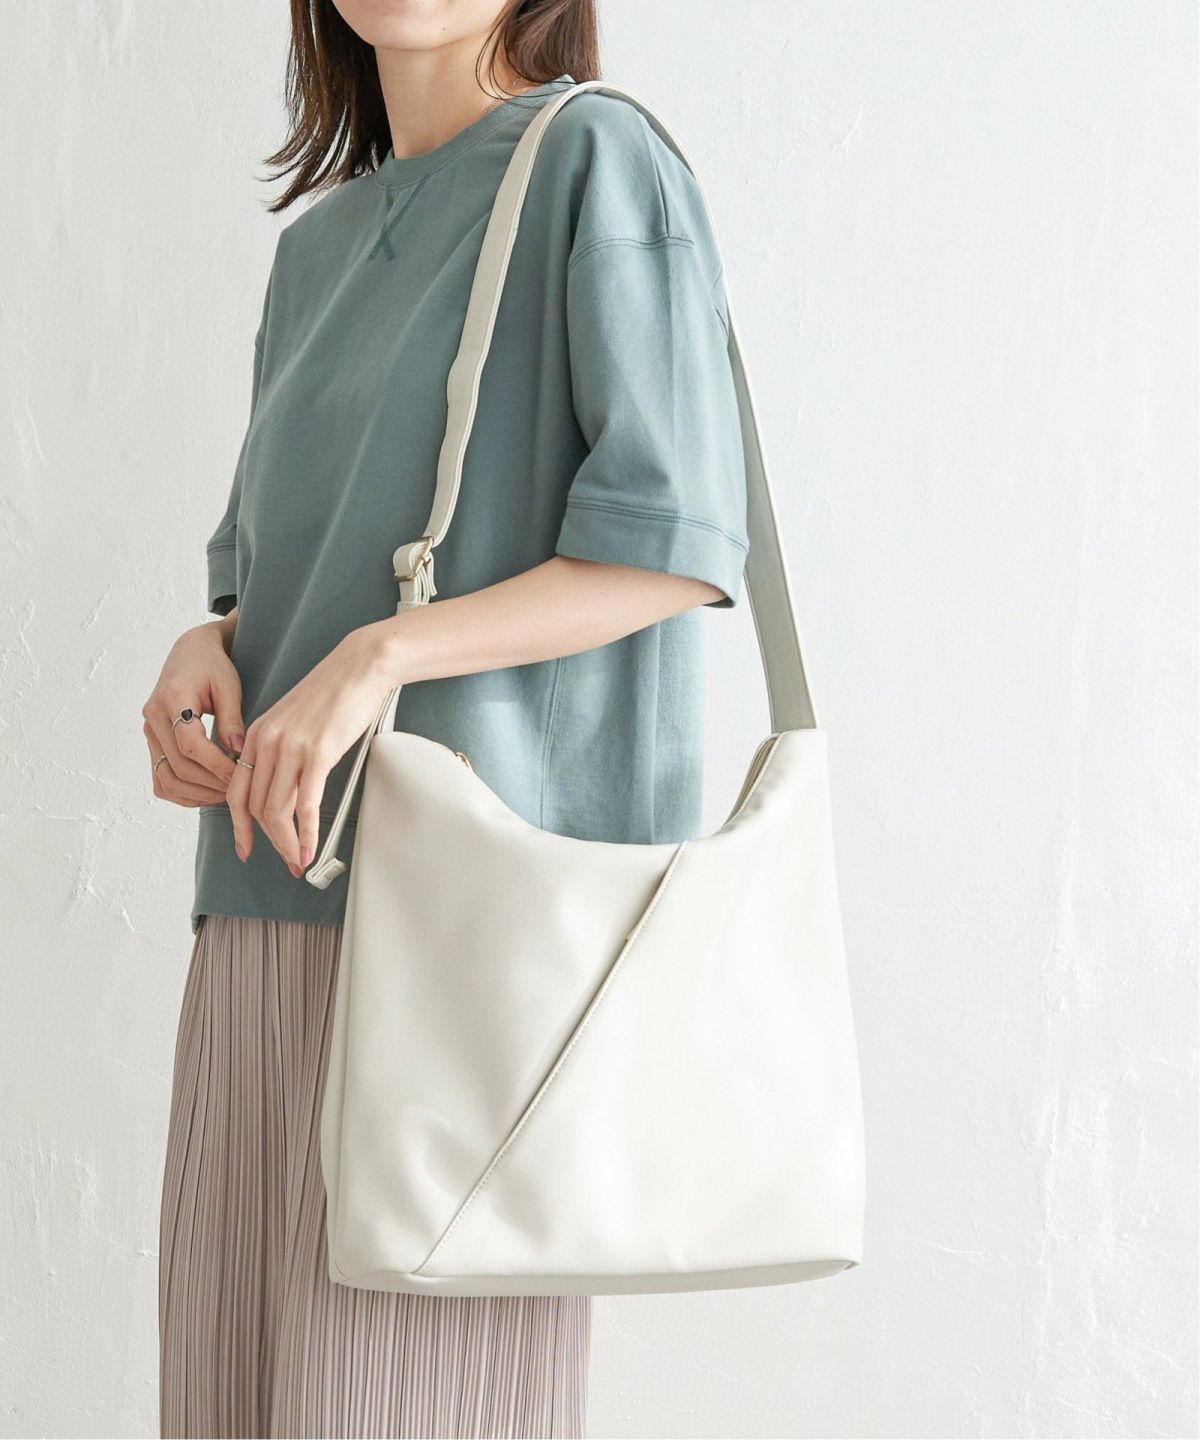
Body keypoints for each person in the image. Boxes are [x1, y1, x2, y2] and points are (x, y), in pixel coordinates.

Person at [145, 1, 749, 1435]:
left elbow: (671, 544)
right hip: (265, 910)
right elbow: (276, 572)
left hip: (471, 935)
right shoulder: (316, 252)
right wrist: (202, 649)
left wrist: (379, 658)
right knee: (229, 1399)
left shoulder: (596, 162)